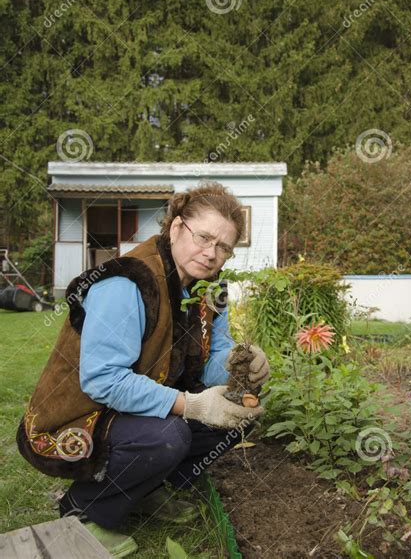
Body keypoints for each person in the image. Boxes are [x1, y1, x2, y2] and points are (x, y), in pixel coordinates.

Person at [16, 182, 270, 557]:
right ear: (176, 227)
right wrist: (193, 406)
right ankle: (84, 510)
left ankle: (147, 490)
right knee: (169, 436)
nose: (211, 253)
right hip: (80, 413)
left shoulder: (209, 289)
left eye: (223, 248)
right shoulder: (130, 281)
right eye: (203, 237)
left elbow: (215, 357)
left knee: (239, 411)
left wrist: (239, 363)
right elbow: (103, 380)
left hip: (136, 405)